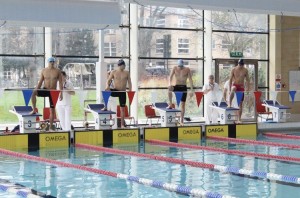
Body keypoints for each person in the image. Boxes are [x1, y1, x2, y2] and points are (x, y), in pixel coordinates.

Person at [30, 57, 63, 131]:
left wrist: (61, 93)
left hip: (53, 92)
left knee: (52, 110)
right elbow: (41, 81)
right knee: (33, 93)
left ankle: (51, 127)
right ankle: (34, 109)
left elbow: (60, 82)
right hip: (45, 89)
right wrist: (36, 89)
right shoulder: (44, 71)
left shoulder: (58, 71)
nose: (52, 63)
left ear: (54, 62)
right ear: (48, 62)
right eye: (50, 61)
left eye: (53, 62)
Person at [103, 59, 132, 128]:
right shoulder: (114, 72)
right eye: (123, 65)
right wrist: (107, 86)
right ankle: (105, 106)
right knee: (106, 90)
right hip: (116, 90)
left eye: (125, 65)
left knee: (122, 109)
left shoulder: (127, 72)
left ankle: (122, 125)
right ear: (120, 65)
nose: (124, 66)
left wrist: (130, 90)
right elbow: (108, 80)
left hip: (122, 92)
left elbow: (129, 82)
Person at [168, 59, 194, 126]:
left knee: (183, 105)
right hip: (177, 86)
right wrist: (169, 84)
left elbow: (190, 80)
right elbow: (170, 77)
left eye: (181, 66)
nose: (180, 68)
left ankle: (181, 121)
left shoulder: (187, 69)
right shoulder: (175, 68)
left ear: (183, 65)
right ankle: (170, 104)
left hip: (183, 87)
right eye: (179, 66)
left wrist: (192, 90)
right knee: (169, 88)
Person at [228, 59, 250, 123]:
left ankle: (239, 119)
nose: (241, 66)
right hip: (235, 84)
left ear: (243, 64)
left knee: (240, 104)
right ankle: (230, 103)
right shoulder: (234, 69)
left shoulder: (245, 70)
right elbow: (230, 80)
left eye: (242, 65)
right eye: (240, 64)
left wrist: (247, 88)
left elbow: (248, 80)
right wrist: (229, 89)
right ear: (238, 64)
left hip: (241, 87)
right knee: (233, 88)